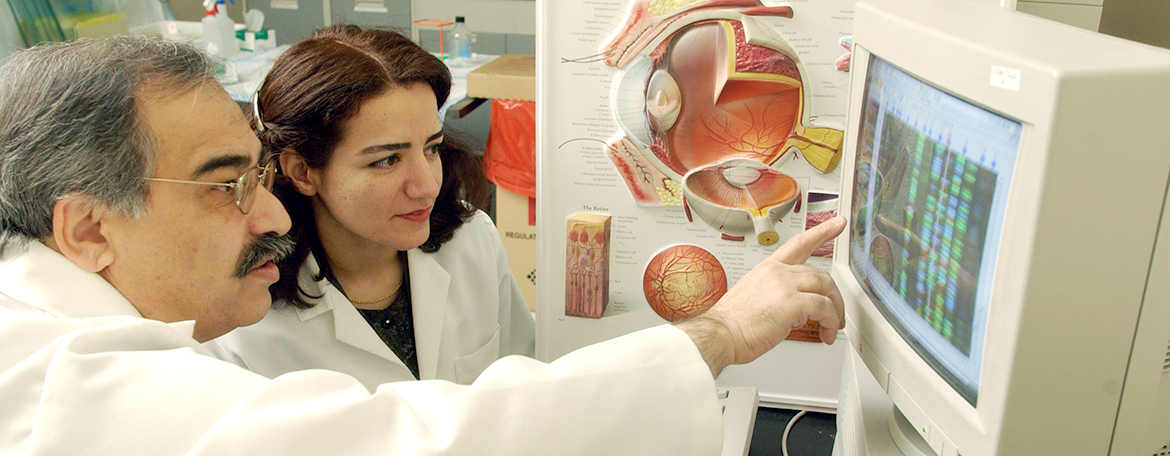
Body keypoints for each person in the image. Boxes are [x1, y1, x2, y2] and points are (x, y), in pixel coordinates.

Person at [0, 35, 846, 456]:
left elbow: (520, 383)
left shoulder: (464, 240)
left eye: (432, 148)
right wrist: (722, 335)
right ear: (86, 228)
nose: (268, 217)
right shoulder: (75, 382)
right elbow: (415, 438)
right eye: (227, 186)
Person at [209, 26, 534, 389]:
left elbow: (520, 385)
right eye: (386, 161)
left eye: (431, 148)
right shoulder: (244, 315)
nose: (426, 186)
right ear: (302, 171)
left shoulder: (472, 241)